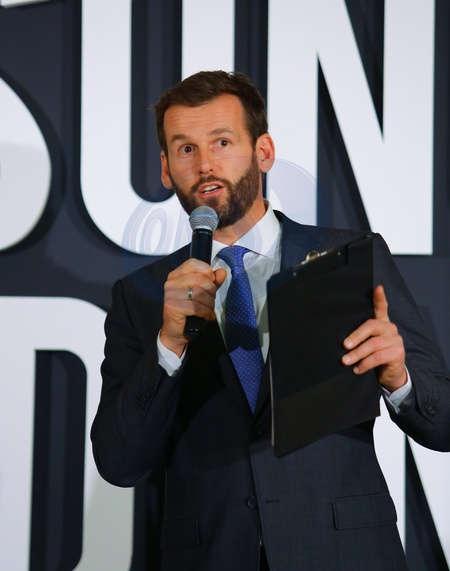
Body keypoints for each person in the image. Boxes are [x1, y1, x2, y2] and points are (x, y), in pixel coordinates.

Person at [91, 70, 450, 571]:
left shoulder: (350, 258)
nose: (205, 163)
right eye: (186, 148)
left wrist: (399, 378)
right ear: (166, 170)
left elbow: (444, 424)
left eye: (222, 142)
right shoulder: (142, 296)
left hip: (346, 554)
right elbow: (118, 462)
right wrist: (168, 345)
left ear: (264, 152)